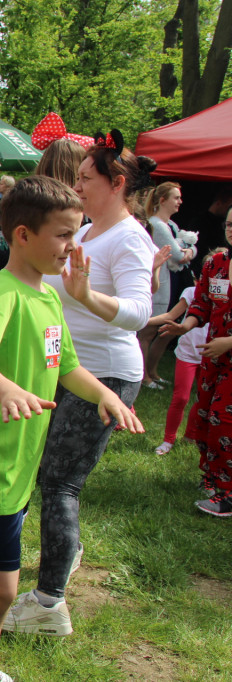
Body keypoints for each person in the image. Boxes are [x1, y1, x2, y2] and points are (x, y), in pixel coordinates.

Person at [0, 176, 141, 682]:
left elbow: (65, 364)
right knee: (1, 591)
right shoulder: (3, 294)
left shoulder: (46, 297)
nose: (74, 246)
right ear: (22, 235)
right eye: (65, 235)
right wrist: (6, 389)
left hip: (17, 465)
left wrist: (105, 394)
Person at [3, 131, 155, 636]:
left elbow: (138, 313)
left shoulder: (130, 237)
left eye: (86, 179)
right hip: (66, 366)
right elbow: (47, 280)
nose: (77, 185)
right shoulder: (87, 233)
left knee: (60, 484)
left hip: (106, 373)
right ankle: (57, 567)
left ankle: (49, 605)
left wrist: (88, 297)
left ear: (115, 184)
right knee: (49, 477)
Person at [160, 209, 232, 516]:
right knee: (203, 417)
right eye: (229, 223)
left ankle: (227, 494)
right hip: (211, 359)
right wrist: (184, 327)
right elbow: (201, 304)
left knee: (223, 421)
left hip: (224, 354)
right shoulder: (216, 264)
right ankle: (213, 480)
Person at [139, 182, 195, 388]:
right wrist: (190, 251)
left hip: (169, 283)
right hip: (159, 285)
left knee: (160, 331)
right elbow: (179, 255)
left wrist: (187, 250)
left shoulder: (171, 225)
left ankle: (151, 372)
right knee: (148, 332)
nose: (180, 202)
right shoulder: (159, 226)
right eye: (176, 198)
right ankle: (144, 375)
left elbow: (180, 253)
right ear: (162, 200)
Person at [151, 284, 205, 455]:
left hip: (211, 354)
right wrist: (140, 321)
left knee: (204, 399)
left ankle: (191, 436)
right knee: (181, 397)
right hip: (188, 353)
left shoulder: (225, 292)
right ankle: (168, 440)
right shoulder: (191, 292)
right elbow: (171, 315)